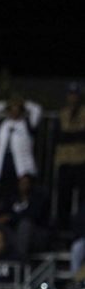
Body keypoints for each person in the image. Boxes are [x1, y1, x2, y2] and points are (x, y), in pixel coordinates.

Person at [0, 95, 42, 194]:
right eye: (11, 109)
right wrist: (4, 104)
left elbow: (37, 110)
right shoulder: (2, 124)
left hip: (21, 165)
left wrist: (23, 102)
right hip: (4, 162)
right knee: (3, 191)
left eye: (17, 109)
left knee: (20, 190)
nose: (14, 112)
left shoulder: (27, 124)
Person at [54, 82, 85, 229]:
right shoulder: (62, 113)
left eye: (75, 95)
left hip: (81, 160)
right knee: (63, 196)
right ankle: (63, 226)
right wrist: (75, 135)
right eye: (70, 95)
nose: (73, 98)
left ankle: (80, 224)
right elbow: (58, 136)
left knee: (82, 197)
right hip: (65, 160)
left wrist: (70, 135)